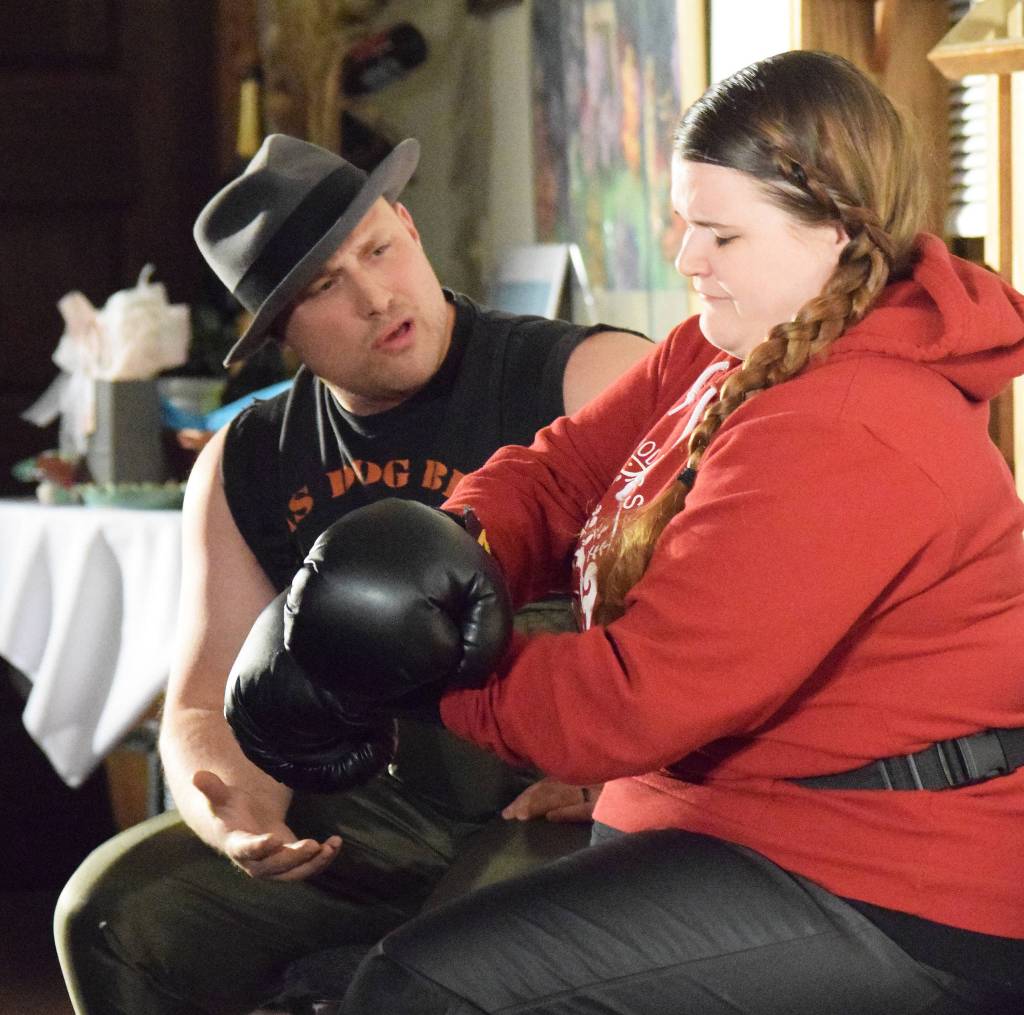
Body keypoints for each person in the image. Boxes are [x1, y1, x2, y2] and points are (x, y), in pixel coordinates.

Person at [252, 52, 1024, 1014]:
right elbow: (564, 467)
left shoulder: (853, 424)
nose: (685, 256)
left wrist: (409, 668)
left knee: (422, 986)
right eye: (682, 219)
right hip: (727, 827)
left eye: (719, 233)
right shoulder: (730, 340)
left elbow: (630, 701)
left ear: (834, 234)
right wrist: (448, 556)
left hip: (886, 886)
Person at [53, 133, 661, 1015]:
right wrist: (231, 814)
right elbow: (198, 701)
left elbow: (744, 602)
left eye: (378, 249)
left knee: (440, 966)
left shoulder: (589, 376)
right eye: (324, 287)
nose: (376, 296)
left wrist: (627, 763)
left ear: (411, 227)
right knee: (112, 916)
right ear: (279, 334)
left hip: (567, 803)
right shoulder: (245, 460)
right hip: (371, 818)